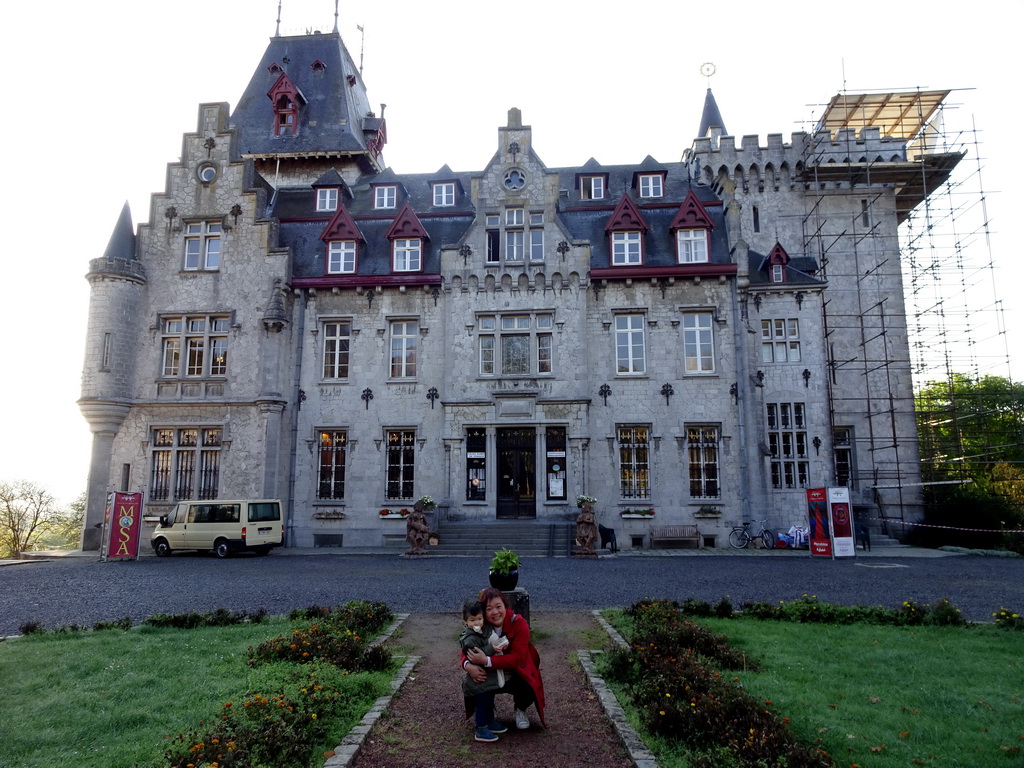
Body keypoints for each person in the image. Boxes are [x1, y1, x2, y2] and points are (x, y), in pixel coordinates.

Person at [463, 587, 546, 733]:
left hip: (515, 673)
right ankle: (488, 711)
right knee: (477, 679)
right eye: (489, 609)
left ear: (505, 606)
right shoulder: (480, 624)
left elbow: (517, 658)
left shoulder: (519, 623)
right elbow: (467, 647)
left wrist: (486, 660)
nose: (495, 612)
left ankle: (520, 709)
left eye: (498, 606)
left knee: (529, 687)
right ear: (483, 612)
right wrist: (468, 665)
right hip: (491, 675)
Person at [459, 598, 509, 742]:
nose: (477, 623)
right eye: (473, 620)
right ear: (466, 622)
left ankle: (490, 721)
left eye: (479, 619)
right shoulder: (469, 638)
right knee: (482, 702)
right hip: (478, 680)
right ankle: (481, 728)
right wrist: (492, 649)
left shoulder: (483, 630)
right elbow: (476, 654)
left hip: (487, 677)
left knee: (489, 699)